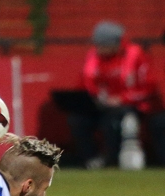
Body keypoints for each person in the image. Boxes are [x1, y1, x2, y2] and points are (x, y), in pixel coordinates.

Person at [68, 21, 165, 169]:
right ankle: (91, 160)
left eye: (103, 45)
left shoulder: (135, 55)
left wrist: (122, 99)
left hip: (133, 105)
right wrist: (89, 99)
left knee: (112, 120)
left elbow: (148, 87)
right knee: (77, 120)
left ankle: (112, 159)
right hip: (101, 105)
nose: (99, 49)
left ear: (116, 44)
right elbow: (85, 83)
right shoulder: (93, 57)